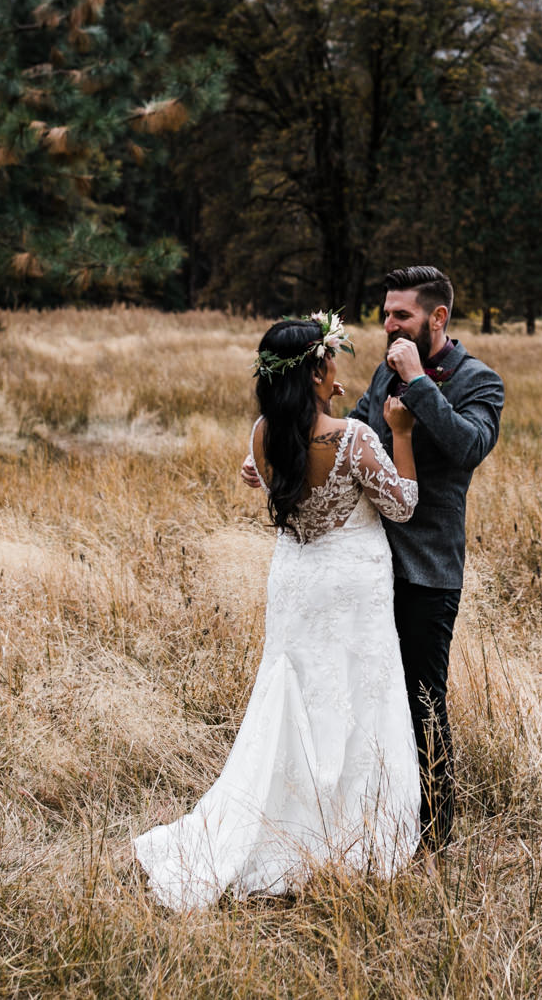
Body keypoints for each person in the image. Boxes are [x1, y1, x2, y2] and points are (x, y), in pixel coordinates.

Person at [135, 313, 423, 911]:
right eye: (331, 361)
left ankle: (280, 820)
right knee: (357, 695)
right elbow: (403, 506)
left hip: (295, 582)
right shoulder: (354, 438)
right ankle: (355, 837)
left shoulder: (264, 433)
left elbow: (279, 485)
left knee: (295, 692)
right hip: (349, 587)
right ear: (319, 369)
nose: (339, 369)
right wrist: (400, 431)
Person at [245, 266, 504, 850]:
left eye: (401, 316)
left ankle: (434, 833)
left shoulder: (480, 382)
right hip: (360, 569)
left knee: (422, 698)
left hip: (426, 568)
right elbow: (349, 441)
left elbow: (467, 448)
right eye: (386, 314)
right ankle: (362, 818)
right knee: (364, 697)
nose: (389, 325)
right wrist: (282, 458)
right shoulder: (383, 375)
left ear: (438, 318)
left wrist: (417, 385)